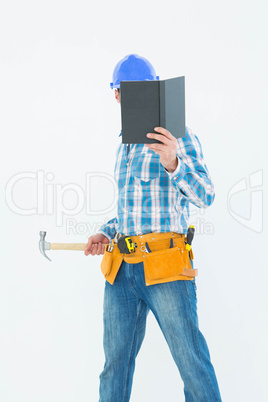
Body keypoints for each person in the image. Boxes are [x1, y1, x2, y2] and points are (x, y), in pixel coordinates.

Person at [84, 54, 222, 401]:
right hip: (122, 271)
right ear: (116, 96)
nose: (129, 98)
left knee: (191, 361)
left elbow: (205, 196)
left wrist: (174, 161)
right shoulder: (124, 145)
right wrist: (106, 231)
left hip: (165, 268)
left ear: (155, 92)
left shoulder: (178, 136)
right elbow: (131, 212)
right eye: (124, 92)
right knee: (114, 366)